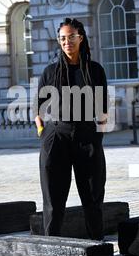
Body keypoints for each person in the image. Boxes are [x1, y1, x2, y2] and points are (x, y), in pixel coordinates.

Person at [35, 18, 108, 240]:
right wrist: (43, 135)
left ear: (81, 38)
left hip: (86, 135)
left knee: (93, 196)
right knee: (53, 200)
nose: (67, 42)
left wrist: (97, 138)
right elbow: (38, 112)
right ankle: (51, 248)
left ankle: (97, 246)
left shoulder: (94, 71)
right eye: (63, 38)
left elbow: (103, 111)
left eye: (71, 37)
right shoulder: (50, 72)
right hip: (56, 136)